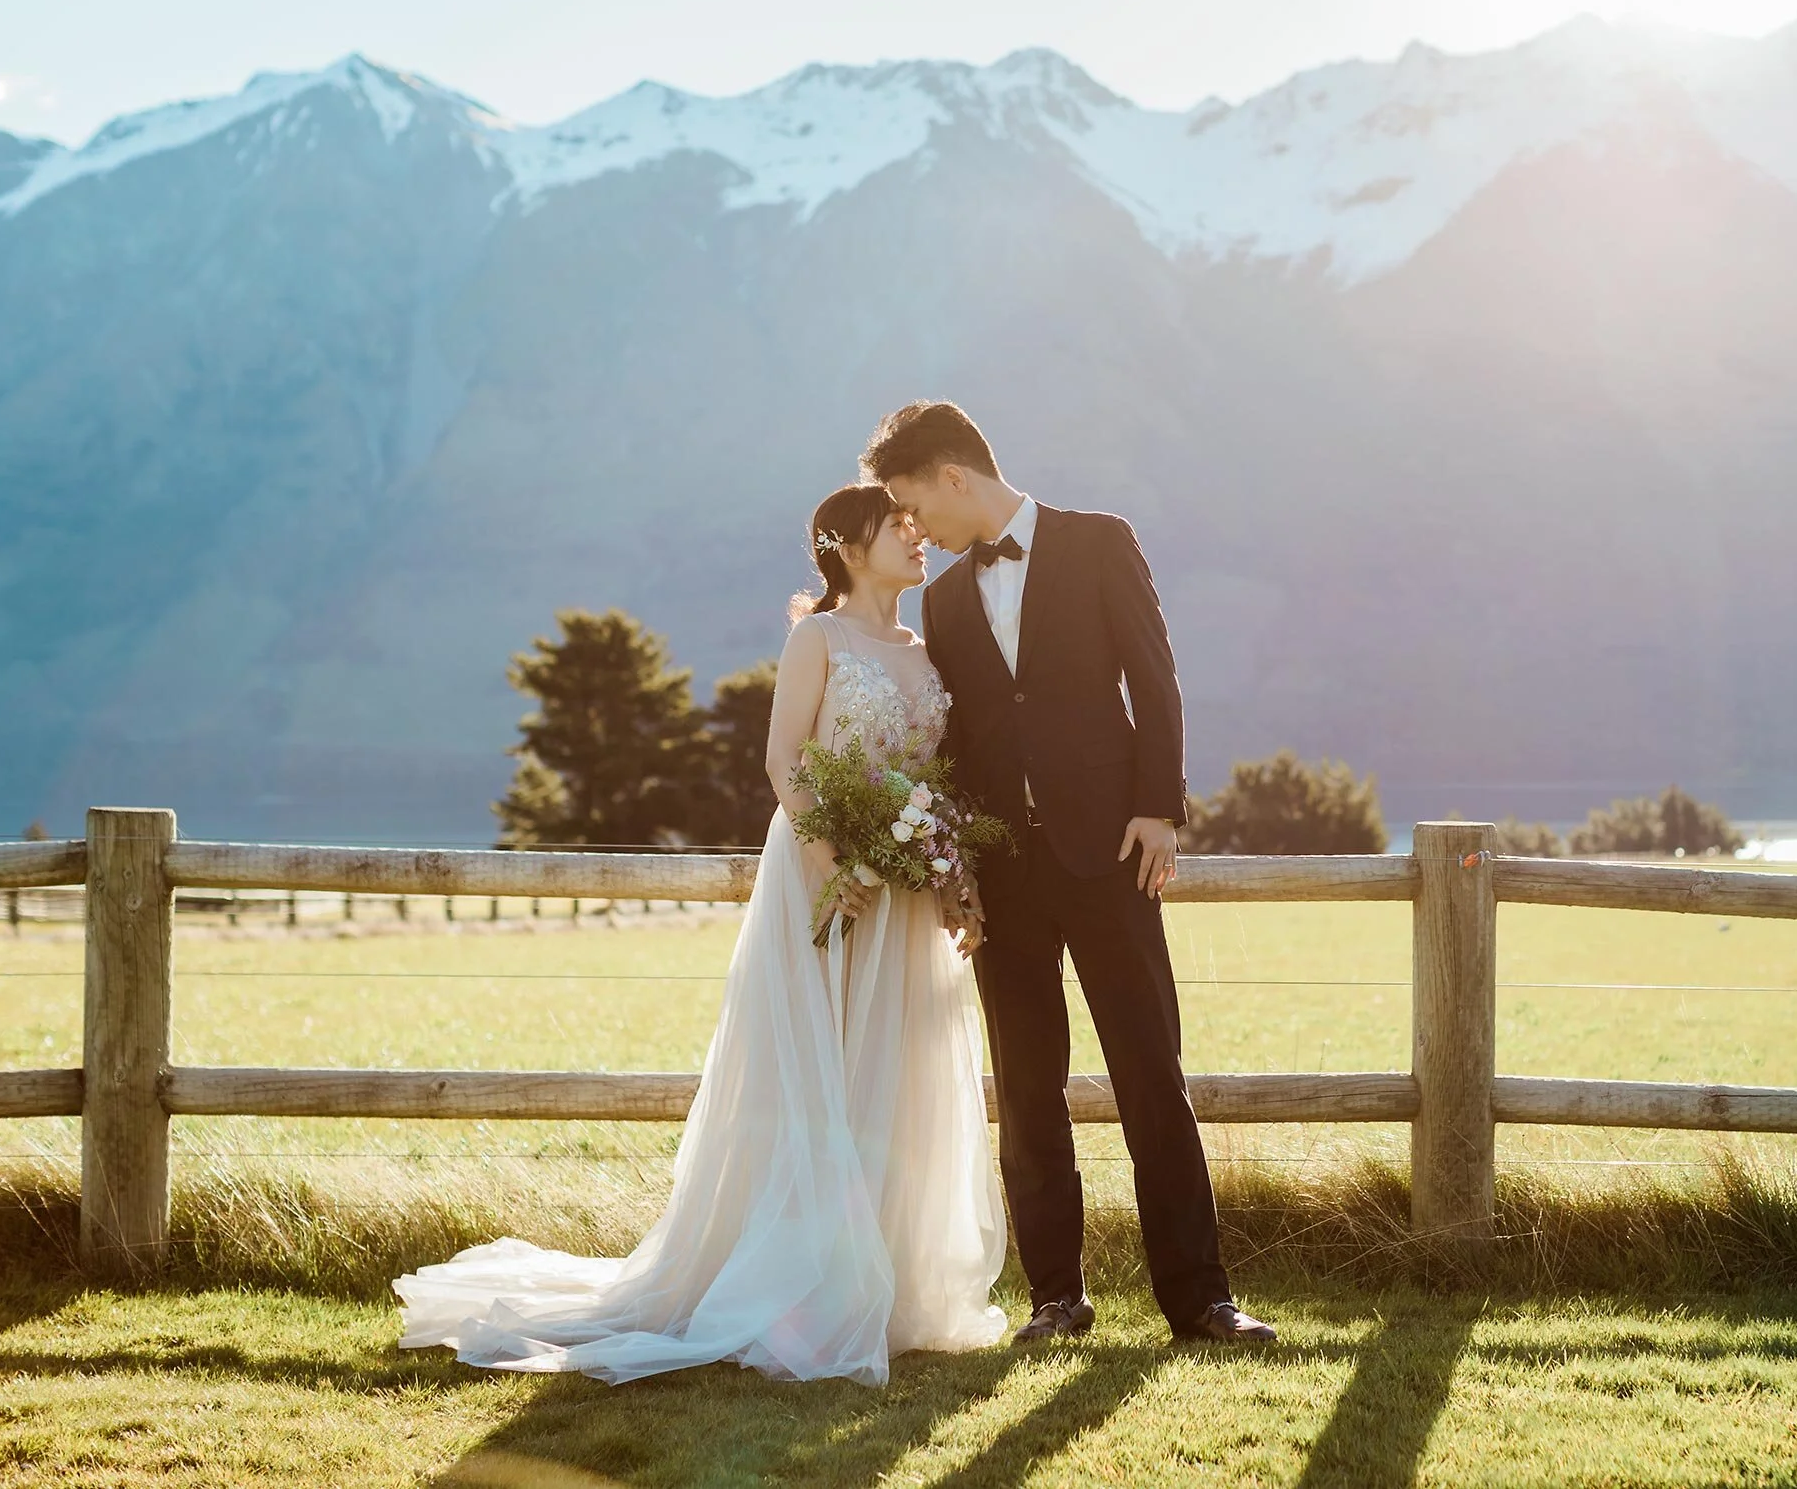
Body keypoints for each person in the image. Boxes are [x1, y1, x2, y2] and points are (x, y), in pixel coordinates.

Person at [394, 483, 1006, 1385]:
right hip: (825, 880)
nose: (919, 539)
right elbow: (784, 760)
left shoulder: (924, 649)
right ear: (847, 545)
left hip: (907, 896)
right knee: (822, 1075)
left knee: (897, 1074)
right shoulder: (818, 639)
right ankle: (808, 1287)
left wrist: (951, 873)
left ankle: (896, 1282)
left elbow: (937, 780)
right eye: (898, 527)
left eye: (918, 526)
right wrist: (834, 870)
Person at [864, 400, 1276, 1346]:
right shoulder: (946, 598)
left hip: (1111, 856)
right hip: (1004, 875)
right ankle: (1057, 1295)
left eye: (911, 501)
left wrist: (1158, 807)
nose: (912, 526)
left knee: (1149, 1076)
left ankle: (1201, 1298)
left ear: (954, 476)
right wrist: (955, 863)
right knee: (1029, 1088)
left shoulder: (1100, 541)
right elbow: (963, 737)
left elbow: (1154, 676)